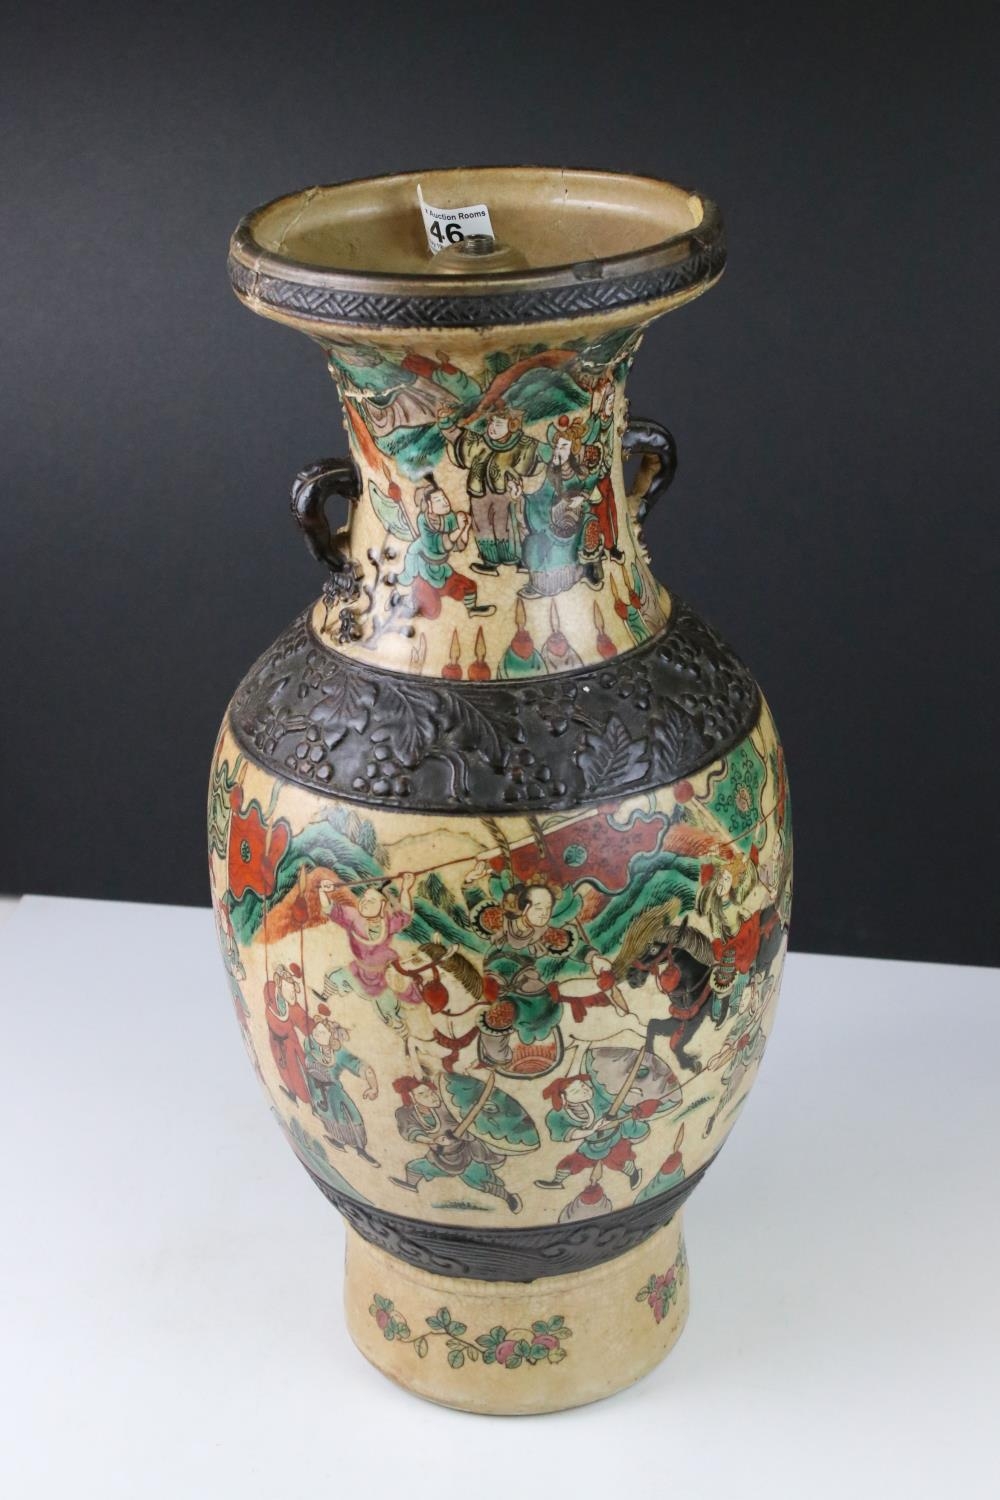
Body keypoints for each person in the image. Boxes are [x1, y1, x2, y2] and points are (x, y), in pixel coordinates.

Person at [390, 1075, 522, 1212]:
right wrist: (431, 1140)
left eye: (431, 1092)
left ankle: (509, 1197)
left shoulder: (447, 1106)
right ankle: (410, 1187)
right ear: (411, 1098)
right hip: (440, 1157)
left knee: (479, 1182)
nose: (432, 1097)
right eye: (423, 1095)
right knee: (414, 1167)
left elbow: (467, 1120)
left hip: (466, 1154)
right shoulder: (406, 1113)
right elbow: (411, 1130)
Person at [318, 874, 419, 1031]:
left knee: (386, 1008)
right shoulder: (353, 918)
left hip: (381, 976)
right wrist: (323, 892)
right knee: (333, 975)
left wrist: (405, 889)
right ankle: (324, 997)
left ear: (382, 907)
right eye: (364, 899)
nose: (364, 903)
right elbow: (332, 909)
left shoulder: (387, 923)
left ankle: (402, 1031)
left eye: (371, 901)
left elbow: (404, 915)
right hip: (358, 970)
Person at [447, 403, 539, 573]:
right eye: (491, 423)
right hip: (479, 495)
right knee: (482, 527)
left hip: (505, 495)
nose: (492, 427)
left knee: (508, 526)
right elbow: (457, 437)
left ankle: (518, 559)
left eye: (498, 424)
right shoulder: (479, 442)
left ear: (512, 425)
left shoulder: (521, 445)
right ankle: (489, 561)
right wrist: (445, 422)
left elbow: (539, 459)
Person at [396, 478, 494, 618]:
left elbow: (459, 546)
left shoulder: (449, 518)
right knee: (432, 611)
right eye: (439, 500)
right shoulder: (423, 521)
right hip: (424, 572)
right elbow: (440, 546)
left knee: (469, 586)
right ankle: (409, 606)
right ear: (429, 505)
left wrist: (465, 528)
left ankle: (472, 610)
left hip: (442, 570)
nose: (445, 502)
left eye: (444, 498)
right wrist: (459, 529)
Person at [304, 1006, 380, 1163]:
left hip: (334, 1091)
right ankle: (338, 1141)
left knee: (351, 1116)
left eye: (322, 1032)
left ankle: (361, 1149)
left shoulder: (339, 1054)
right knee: (329, 1117)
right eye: (316, 1031)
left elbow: (362, 1067)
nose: (316, 1034)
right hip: (317, 1089)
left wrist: (373, 1087)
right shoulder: (310, 1043)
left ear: (332, 1037)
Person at [264, 963, 313, 1104]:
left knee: (300, 1068)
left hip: (291, 1041)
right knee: (285, 1072)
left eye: (294, 991)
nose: (293, 996)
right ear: (280, 987)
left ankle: (308, 1098)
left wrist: (316, 1029)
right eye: (290, 991)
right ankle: (293, 1093)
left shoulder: (292, 1007)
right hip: (277, 1043)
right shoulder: (271, 996)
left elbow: (304, 1022)